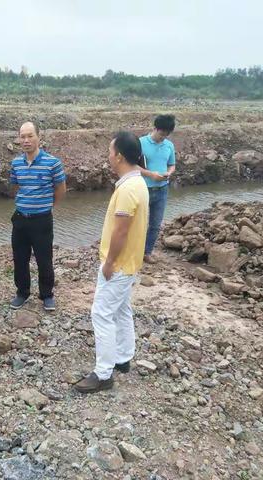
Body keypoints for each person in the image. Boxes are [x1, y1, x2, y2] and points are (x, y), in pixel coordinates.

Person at [75, 131, 148, 394]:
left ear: (118, 156)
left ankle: (103, 374)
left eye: (109, 151)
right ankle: (123, 357)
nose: (108, 156)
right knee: (121, 309)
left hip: (119, 264)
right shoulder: (137, 182)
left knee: (101, 313)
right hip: (129, 263)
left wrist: (109, 262)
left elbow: (121, 231)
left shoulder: (128, 189)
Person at [9, 121, 66, 311]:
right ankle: (22, 293)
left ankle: (47, 295)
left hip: (42, 220)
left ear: (39, 137)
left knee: (44, 259)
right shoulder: (16, 163)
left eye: (30, 136)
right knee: (20, 258)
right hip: (20, 219)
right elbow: (16, 187)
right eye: (22, 137)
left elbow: (61, 189)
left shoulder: (52, 163)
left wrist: (50, 207)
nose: (26, 140)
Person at [138, 114, 176, 263]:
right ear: (154, 128)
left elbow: (172, 164)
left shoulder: (169, 145)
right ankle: (133, 251)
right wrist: (151, 175)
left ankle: (147, 252)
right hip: (143, 188)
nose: (163, 138)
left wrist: (169, 173)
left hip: (162, 190)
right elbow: (132, 166)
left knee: (155, 224)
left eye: (166, 135)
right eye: (161, 134)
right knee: (137, 223)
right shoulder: (140, 143)